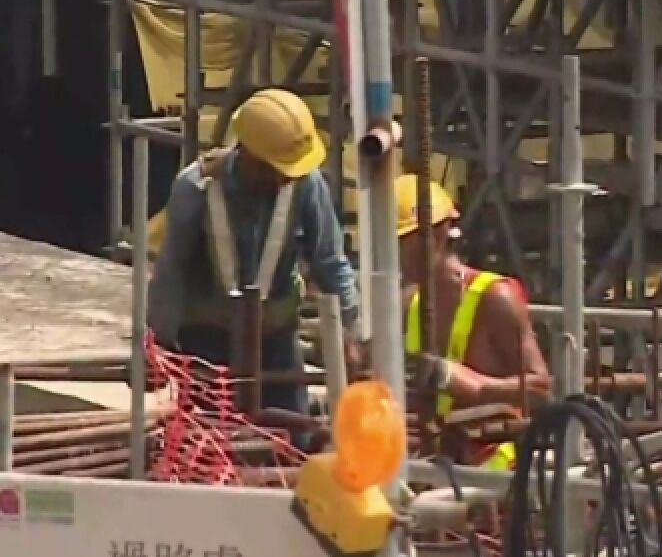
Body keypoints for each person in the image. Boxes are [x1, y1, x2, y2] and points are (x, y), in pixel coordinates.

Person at [148, 88, 361, 414]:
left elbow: (330, 262)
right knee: (210, 443)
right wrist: (158, 343)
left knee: (291, 438)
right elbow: (171, 271)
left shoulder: (306, 184)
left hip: (275, 340)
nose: (284, 178)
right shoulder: (196, 188)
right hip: (208, 340)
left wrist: (352, 331)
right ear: (248, 155)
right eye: (276, 169)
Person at [398, 175, 550, 469]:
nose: (395, 254)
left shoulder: (494, 298)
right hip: (436, 463)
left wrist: (479, 388)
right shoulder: (410, 305)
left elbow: (542, 389)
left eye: (403, 241)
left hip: (496, 470)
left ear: (439, 234)